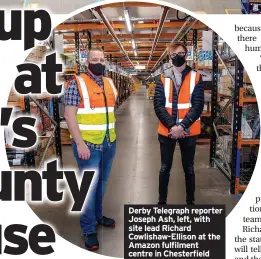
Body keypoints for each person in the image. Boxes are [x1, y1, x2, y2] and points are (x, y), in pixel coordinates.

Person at [63, 48, 118, 251]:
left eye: (102, 59)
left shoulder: (109, 83)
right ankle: (88, 229)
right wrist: (79, 143)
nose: (99, 62)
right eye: (94, 59)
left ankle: (97, 216)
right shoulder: (75, 83)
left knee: (101, 184)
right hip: (88, 146)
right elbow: (69, 116)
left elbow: (109, 111)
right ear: (87, 63)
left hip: (109, 143)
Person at [153, 42, 204, 206]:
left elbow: (198, 105)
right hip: (167, 131)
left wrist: (182, 126)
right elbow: (158, 105)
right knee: (164, 168)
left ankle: (190, 201)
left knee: (189, 169)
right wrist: (172, 127)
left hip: (188, 131)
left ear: (186, 55)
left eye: (181, 53)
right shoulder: (162, 77)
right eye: (174, 54)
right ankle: (162, 201)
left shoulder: (196, 76)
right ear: (170, 57)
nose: (178, 57)